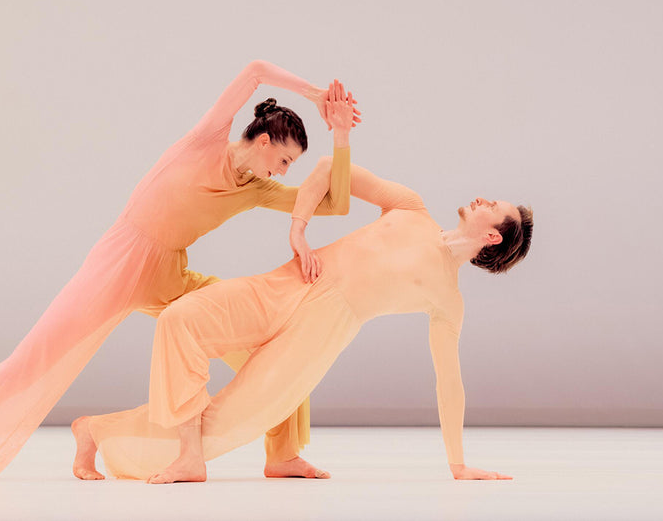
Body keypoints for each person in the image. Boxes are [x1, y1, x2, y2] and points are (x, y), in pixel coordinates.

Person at [0, 60, 359, 483]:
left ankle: (281, 455)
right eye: (284, 159)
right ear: (264, 140)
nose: (285, 171)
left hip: (170, 277)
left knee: (277, 345)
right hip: (118, 264)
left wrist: (341, 135)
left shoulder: (256, 189)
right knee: (29, 362)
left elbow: (335, 204)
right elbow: (254, 70)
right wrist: (316, 94)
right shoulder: (205, 140)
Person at [77, 142, 533, 483]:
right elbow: (328, 168)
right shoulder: (411, 207)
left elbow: (449, 382)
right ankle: (192, 455)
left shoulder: (448, 299)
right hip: (291, 280)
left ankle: (100, 432)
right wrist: (299, 230)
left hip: (321, 332)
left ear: (493, 237)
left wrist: (458, 464)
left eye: (494, 207)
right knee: (181, 318)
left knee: (228, 421)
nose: (483, 199)